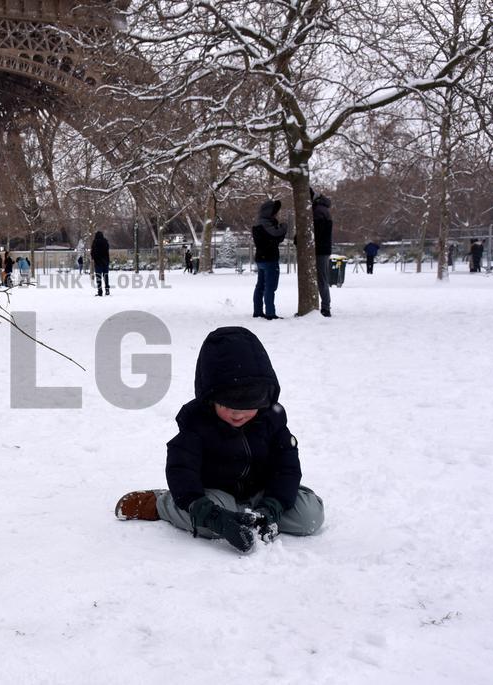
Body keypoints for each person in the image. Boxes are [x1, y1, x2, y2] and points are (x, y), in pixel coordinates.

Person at [114, 326, 325, 553]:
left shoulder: (272, 421)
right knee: (208, 526)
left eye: (248, 406)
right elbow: (181, 470)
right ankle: (162, 504)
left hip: (261, 493)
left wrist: (272, 507)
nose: (238, 414)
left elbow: (287, 469)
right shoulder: (196, 425)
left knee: (310, 517)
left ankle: (252, 516)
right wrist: (212, 516)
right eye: (227, 405)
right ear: (210, 398)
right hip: (215, 496)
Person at [252, 199, 287, 319]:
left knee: (260, 286)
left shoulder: (258, 224)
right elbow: (276, 235)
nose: (276, 214)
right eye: (274, 212)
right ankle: (270, 313)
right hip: (269, 259)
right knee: (270, 287)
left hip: (260, 259)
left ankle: (257, 311)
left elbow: (275, 238)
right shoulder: (266, 225)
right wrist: (284, 227)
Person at [311, 189, 333, 317]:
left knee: (322, 278)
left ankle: (326, 307)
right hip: (323, 249)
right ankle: (325, 305)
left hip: (320, 249)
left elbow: (317, 232)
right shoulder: (322, 209)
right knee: (322, 278)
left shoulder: (318, 211)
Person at [91, 231, 110, 296]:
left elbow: (92, 252)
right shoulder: (105, 242)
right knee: (106, 276)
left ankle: (100, 291)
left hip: (98, 262)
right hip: (105, 262)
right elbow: (107, 251)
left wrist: (93, 258)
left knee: (98, 277)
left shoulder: (95, 242)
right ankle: (107, 290)